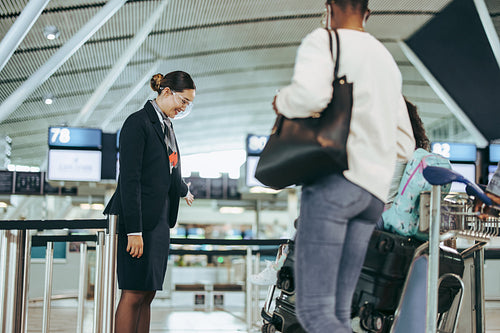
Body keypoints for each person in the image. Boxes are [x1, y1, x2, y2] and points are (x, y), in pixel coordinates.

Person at [272, 1, 415, 332]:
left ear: (329, 7)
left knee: (315, 313)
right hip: (371, 198)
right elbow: (405, 144)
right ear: (368, 13)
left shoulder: (324, 40)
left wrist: (282, 101)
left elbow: (309, 97)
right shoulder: (386, 61)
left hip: (334, 185)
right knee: (337, 313)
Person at [103, 71, 196, 333]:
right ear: (166, 92)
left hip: (159, 222)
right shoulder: (138, 123)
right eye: (183, 101)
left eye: (188, 104)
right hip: (139, 220)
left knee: (148, 294)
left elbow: (167, 168)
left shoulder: (167, 126)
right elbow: (129, 180)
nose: (184, 107)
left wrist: (182, 190)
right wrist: (134, 230)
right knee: (133, 293)